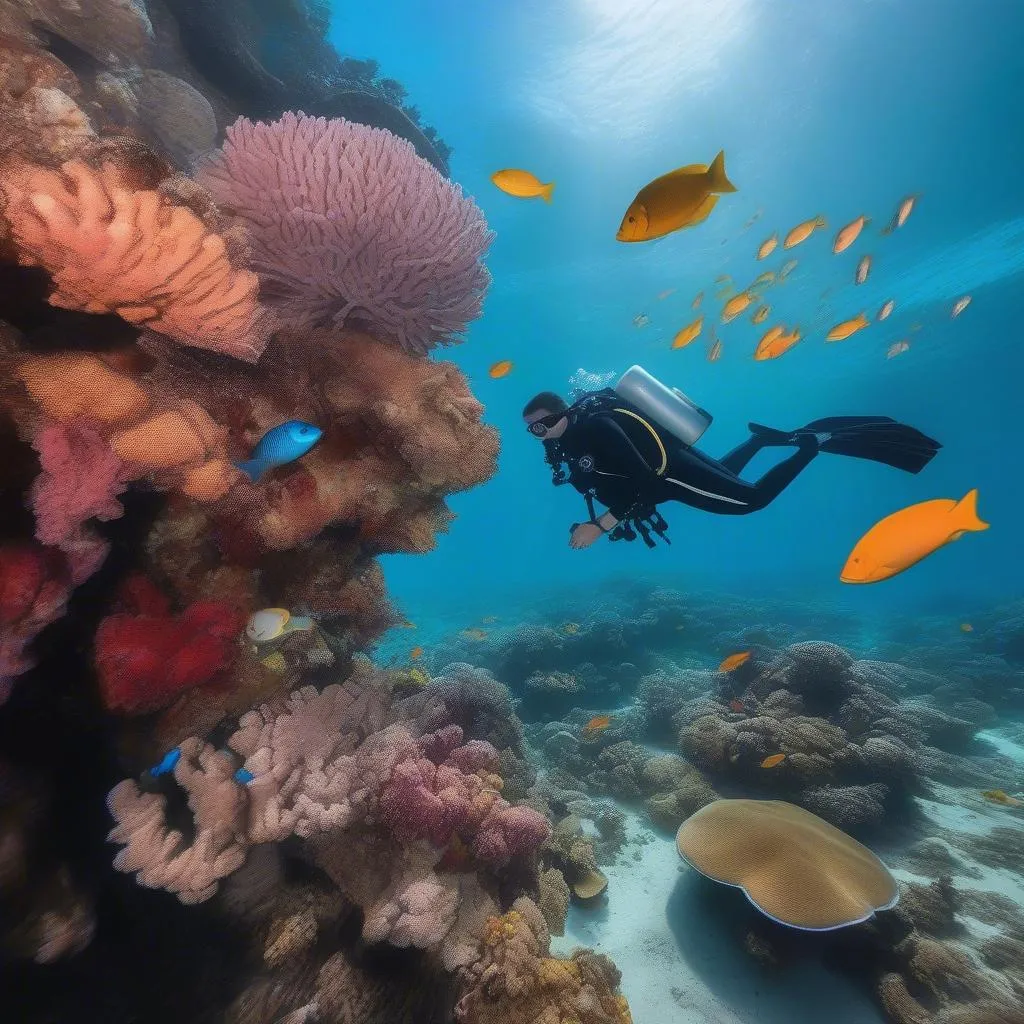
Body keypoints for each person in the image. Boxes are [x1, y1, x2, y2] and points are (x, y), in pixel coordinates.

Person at [522, 389, 941, 550]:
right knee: (726, 476)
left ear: (564, 412)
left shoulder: (596, 427)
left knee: (750, 500)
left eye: (543, 424)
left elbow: (646, 481)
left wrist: (602, 525)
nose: (539, 434)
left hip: (669, 475)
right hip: (673, 468)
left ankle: (813, 445)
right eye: (531, 430)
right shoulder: (567, 443)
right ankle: (759, 439)